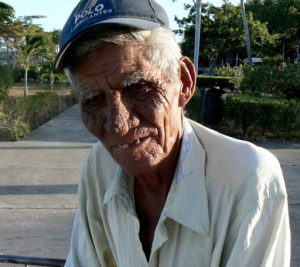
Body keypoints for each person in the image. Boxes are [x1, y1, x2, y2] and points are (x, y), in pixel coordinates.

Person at [54, 0, 291, 266]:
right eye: (94, 100)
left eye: (139, 88)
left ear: (184, 81)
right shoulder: (99, 168)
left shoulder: (247, 178)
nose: (119, 125)